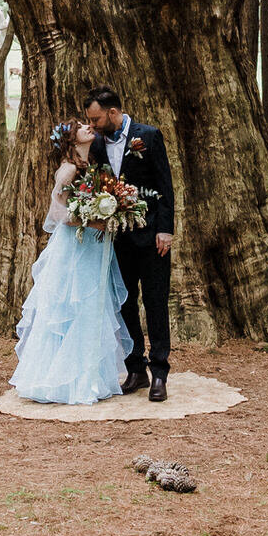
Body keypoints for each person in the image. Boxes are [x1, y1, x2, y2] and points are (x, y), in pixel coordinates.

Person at [9, 117, 130, 405]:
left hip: (92, 247)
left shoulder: (93, 165)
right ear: (72, 139)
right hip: (75, 247)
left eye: (89, 124)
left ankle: (88, 376)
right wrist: (90, 222)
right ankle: (61, 381)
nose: (89, 127)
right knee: (71, 306)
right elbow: (56, 214)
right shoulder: (70, 169)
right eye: (81, 127)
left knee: (91, 307)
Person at [82, 84, 175, 401]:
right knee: (124, 304)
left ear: (113, 112)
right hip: (116, 239)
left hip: (152, 238)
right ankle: (135, 368)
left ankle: (159, 372)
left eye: (95, 119)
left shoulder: (148, 136)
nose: (92, 126)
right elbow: (93, 186)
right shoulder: (96, 144)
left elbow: (165, 184)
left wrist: (166, 229)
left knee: (156, 302)